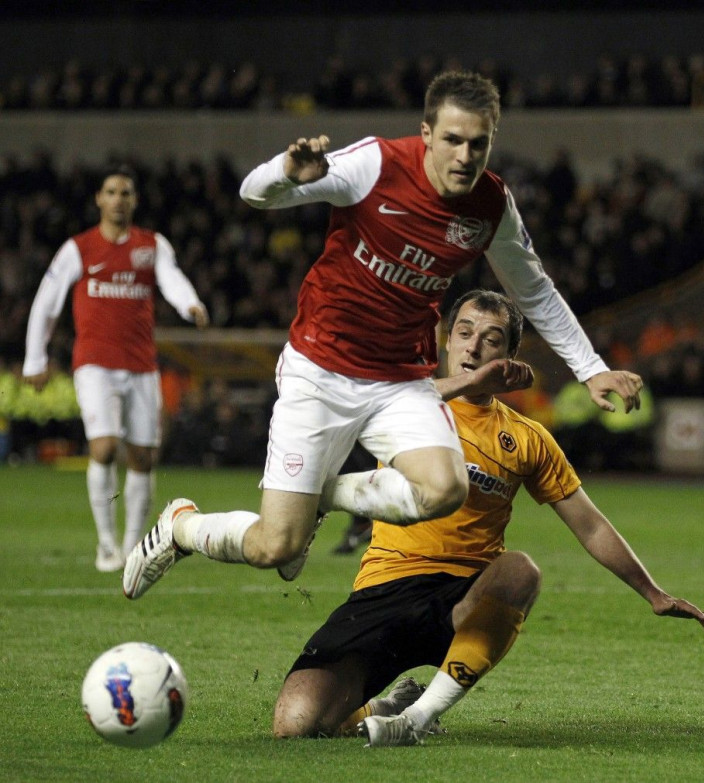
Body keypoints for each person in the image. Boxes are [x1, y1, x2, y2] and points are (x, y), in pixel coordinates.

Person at [122, 70, 643, 598]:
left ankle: (324, 496)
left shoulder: (490, 206)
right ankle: (183, 527)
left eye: (478, 144)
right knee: (274, 546)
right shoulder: (374, 166)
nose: (465, 155)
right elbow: (253, 194)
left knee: (446, 488)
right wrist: (287, 170)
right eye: (453, 141)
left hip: (399, 380)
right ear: (426, 134)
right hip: (320, 369)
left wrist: (592, 369)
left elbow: (534, 290)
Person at [272, 289, 704, 745]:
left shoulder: (527, 437)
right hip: (383, 588)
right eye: (464, 333)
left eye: (491, 338)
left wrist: (653, 593)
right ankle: (386, 706)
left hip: (465, 599)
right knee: (295, 725)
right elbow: (384, 397)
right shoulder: (404, 402)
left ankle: (418, 717)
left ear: (509, 356)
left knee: (520, 570)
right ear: (445, 340)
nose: (473, 346)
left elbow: (590, 524)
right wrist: (471, 382)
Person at [23, 164, 209, 572]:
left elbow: (171, 278)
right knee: (104, 448)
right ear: (99, 199)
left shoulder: (150, 245)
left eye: (126, 193)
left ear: (134, 201)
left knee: (143, 457)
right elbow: (46, 302)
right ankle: (106, 544)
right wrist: (35, 360)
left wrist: (189, 303)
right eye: (111, 192)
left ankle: (131, 548)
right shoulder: (79, 248)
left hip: (141, 365)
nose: (118, 199)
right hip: (94, 364)